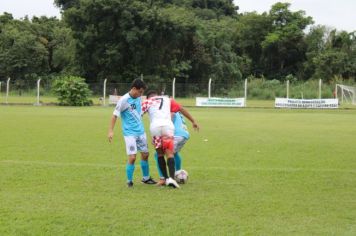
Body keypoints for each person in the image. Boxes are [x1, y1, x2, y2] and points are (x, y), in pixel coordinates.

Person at [142, 91, 199, 188]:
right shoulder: (168, 100)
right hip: (168, 127)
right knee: (170, 153)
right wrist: (193, 121)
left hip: (155, 127)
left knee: (159, 154)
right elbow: (181, 109)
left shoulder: (147, 101)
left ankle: (164, 178)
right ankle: (172, 179)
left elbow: (137, 114)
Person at [108, 79, 156, 187]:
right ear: (134, 88)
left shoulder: (138, 97)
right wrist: (111, 131)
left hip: (141, 131)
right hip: (129, 133)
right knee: (132, 157)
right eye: (140, 92)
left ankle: (146, 178)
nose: (141, 94)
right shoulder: (124, 100)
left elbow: (138, 111)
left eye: (142, 92)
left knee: (145, 154)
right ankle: (129, 181)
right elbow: (115, 115)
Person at [154, 112, 190, 186]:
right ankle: (178, 173)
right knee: (174, 153)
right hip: (184, 134)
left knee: (158, 153)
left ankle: (163, 179)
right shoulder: (175, 108)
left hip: (176, 134)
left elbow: (171, 116)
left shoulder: (167, 106)